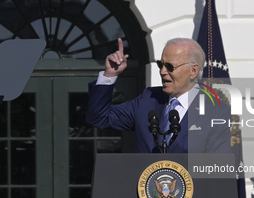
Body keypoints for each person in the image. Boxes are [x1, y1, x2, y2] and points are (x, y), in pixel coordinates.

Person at [86, 37, 231, 153]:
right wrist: (109, 75)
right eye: (160, 64)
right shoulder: (148, 99)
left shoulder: (217, 112)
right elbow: (99, 117)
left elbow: (218, 170)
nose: (162, 71)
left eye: (169, 66)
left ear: (193, 71)